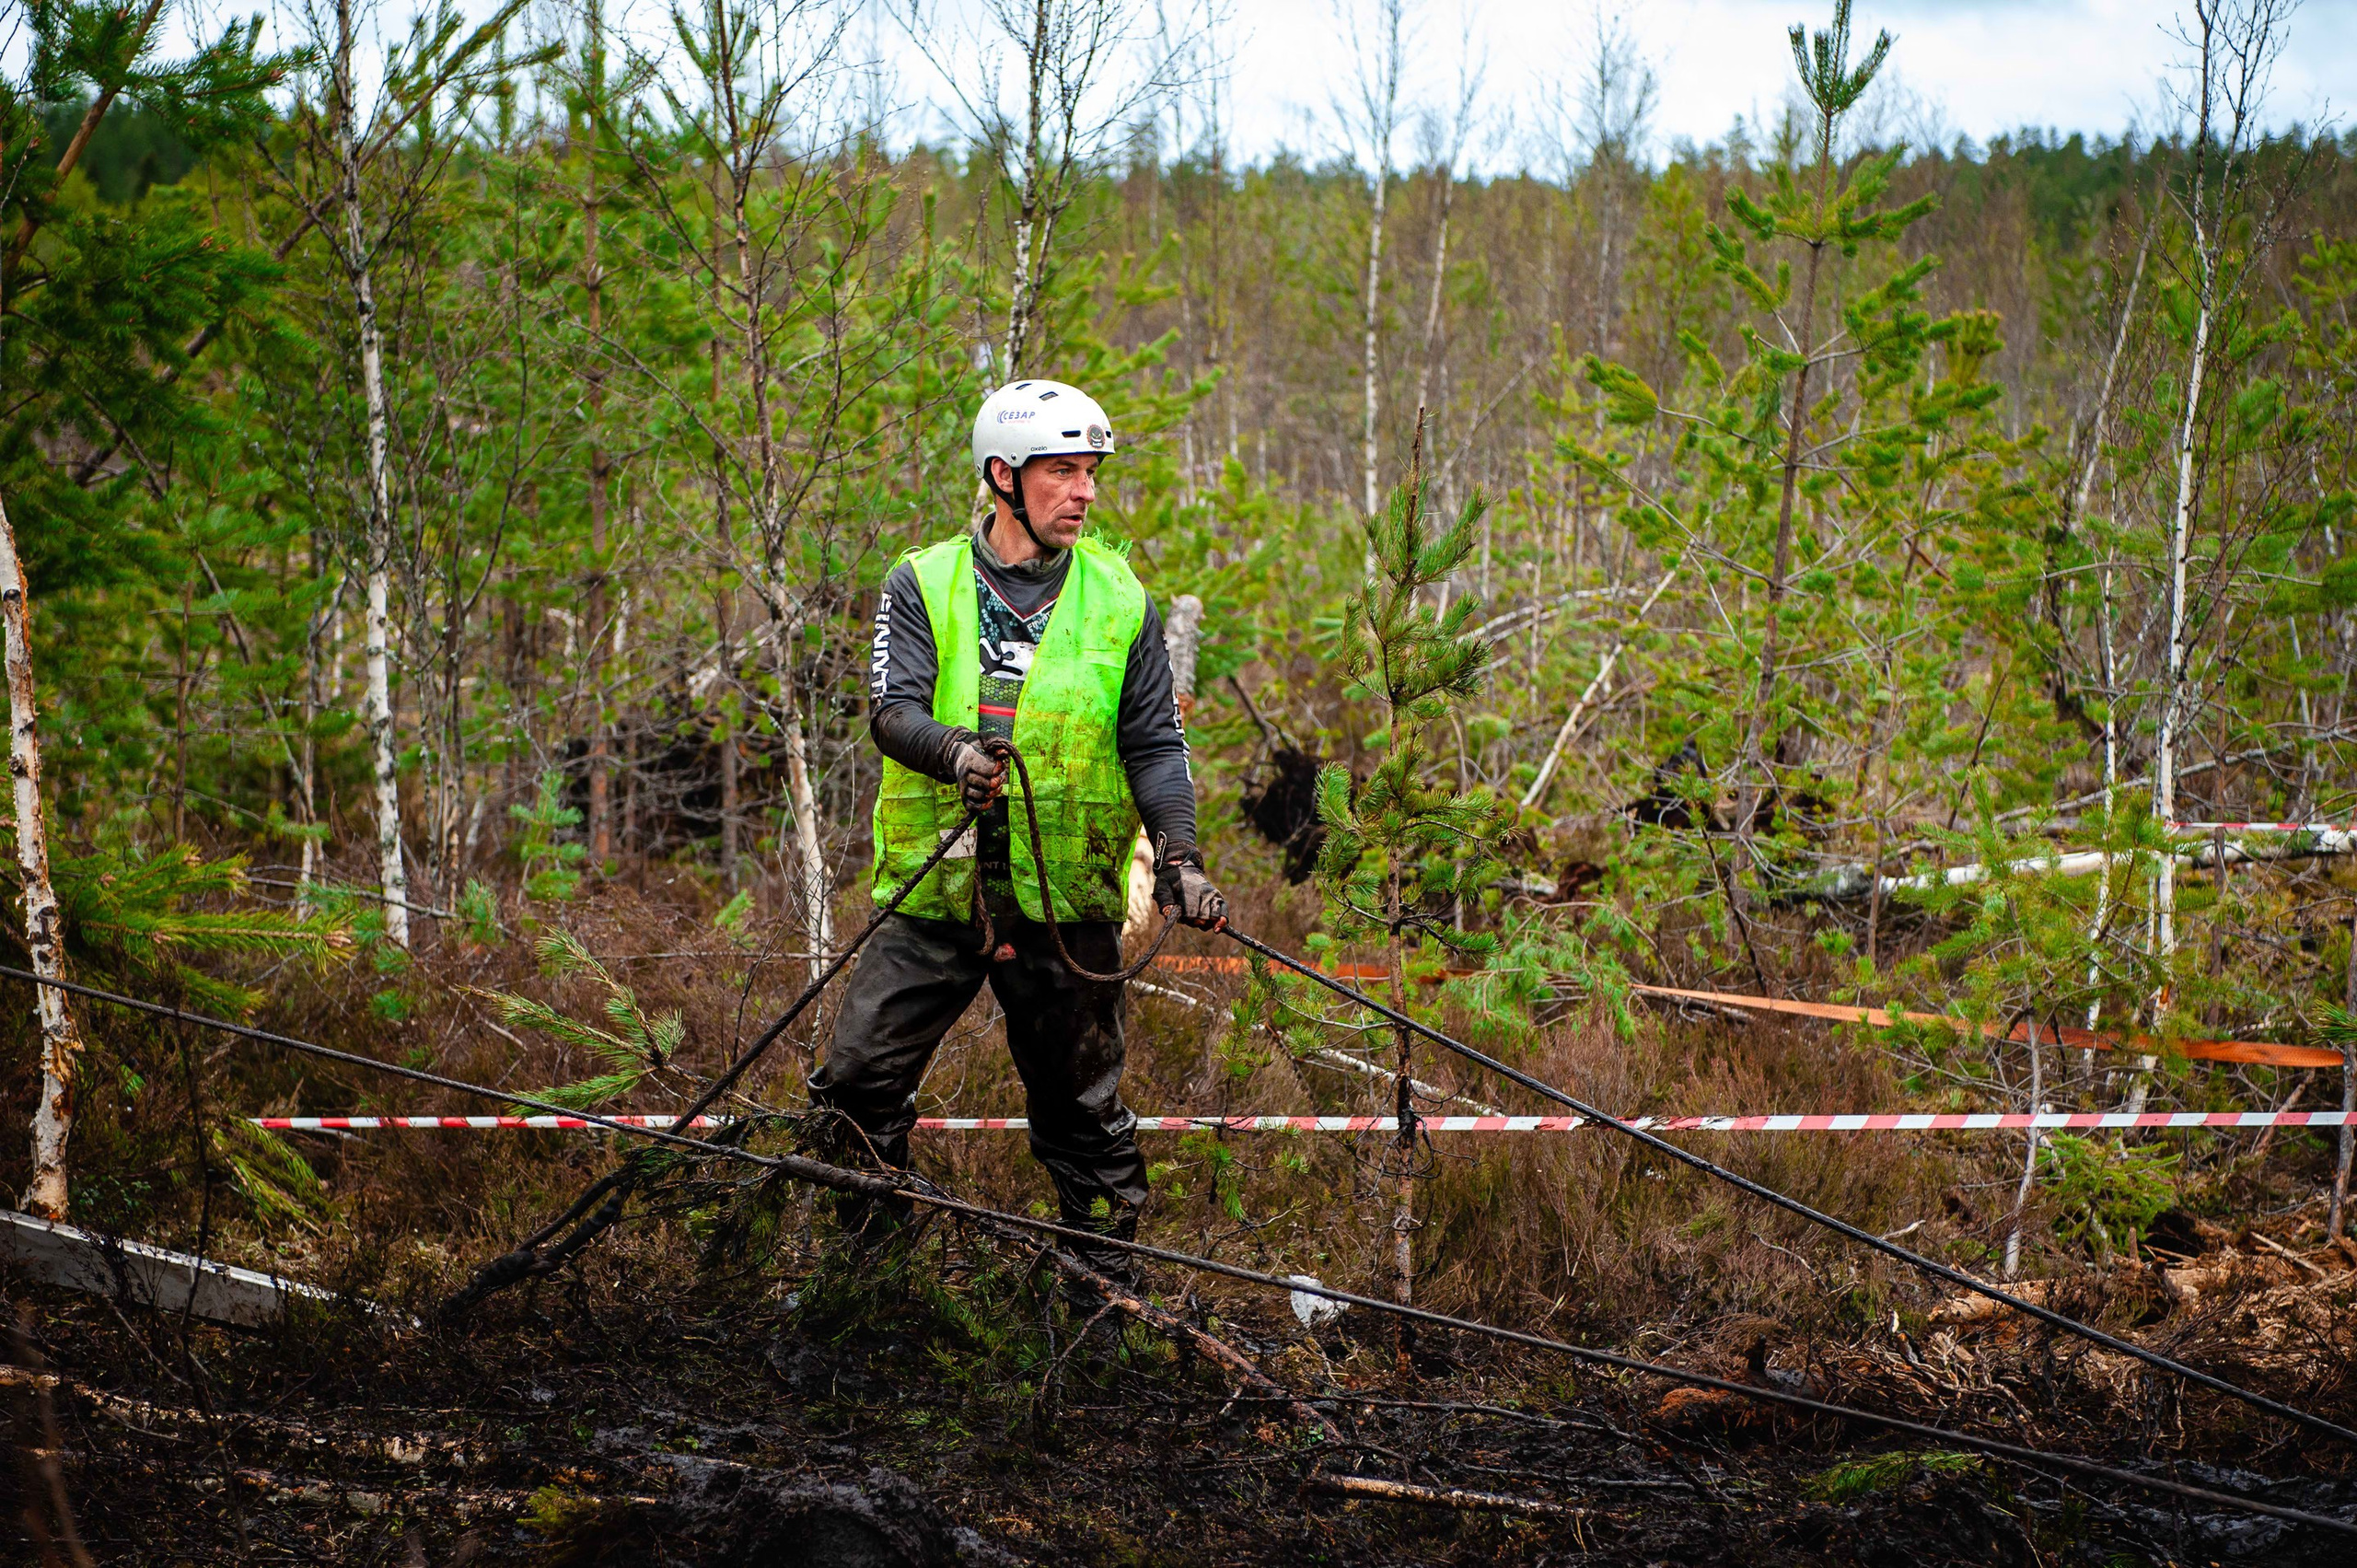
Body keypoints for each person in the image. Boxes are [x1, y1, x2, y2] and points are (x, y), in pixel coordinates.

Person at [808, 379, 1228, 1275]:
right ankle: (872, 1290)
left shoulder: (1121, 601)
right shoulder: (922, 581)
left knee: (1082, 1114)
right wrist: (955, 753)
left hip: (1064, 898)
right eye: (1062, 472)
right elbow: (891, 710)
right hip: (935, 891)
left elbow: (1155, 742)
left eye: (1091, 472)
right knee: (855, 1086)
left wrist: (1181, 859)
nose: (1084, 491)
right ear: (1003, 475)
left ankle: (1100, 1304)